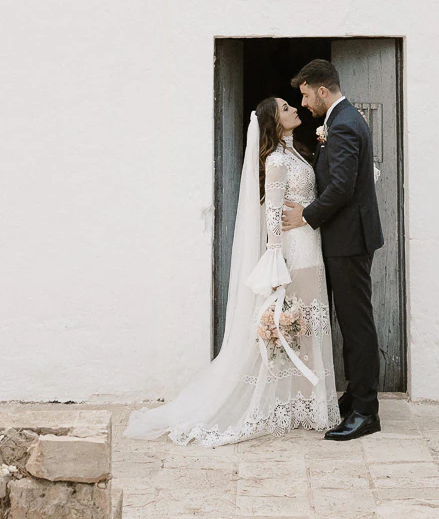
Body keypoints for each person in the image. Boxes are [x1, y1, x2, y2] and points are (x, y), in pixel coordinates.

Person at [124, 96, 339, 446]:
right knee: (295, 327)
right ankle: (289, 405)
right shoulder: (274, 161)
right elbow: (272, 212)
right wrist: (274, 259)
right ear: (273, 122)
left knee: (307, 328)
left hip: (311, 246)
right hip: (295, 252)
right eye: (286, 108)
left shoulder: (297, 152)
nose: (294, 110)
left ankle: (306, 405)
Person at [283, 58, 384, 441]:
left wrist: (306, 216)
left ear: (322, 90)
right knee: (351, 319)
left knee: (356, 323)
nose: (305, 104)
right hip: (348, 237)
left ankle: (366, 412)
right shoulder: (343, 121)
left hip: (349, 240)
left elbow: (341, 188)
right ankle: (355, 395)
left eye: (307, 95)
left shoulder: (342, 125)